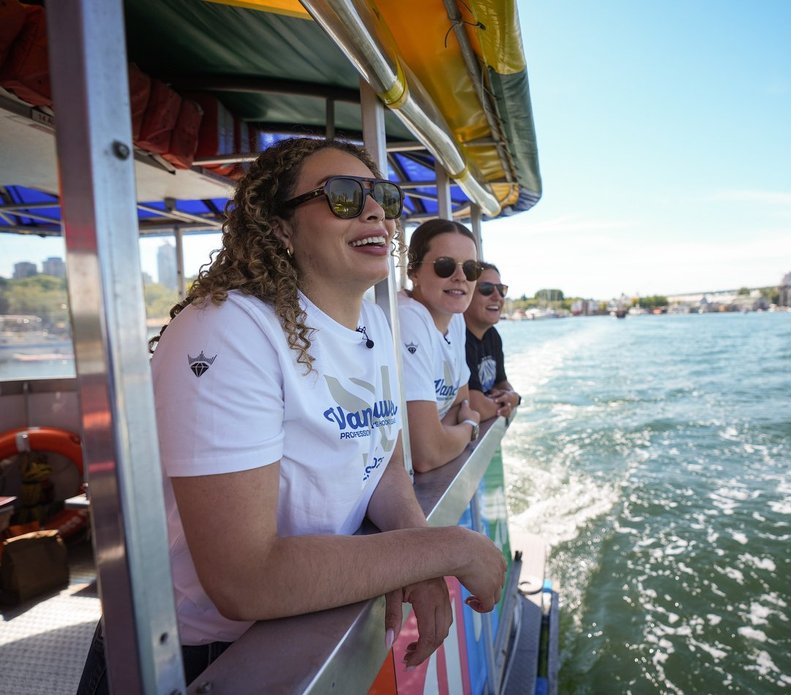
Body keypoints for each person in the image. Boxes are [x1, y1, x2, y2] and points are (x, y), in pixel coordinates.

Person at [77, 138, 505, 693]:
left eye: (383, 196)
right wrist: (445, 547)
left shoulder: (375, 324)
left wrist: (416, 555)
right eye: (345, 196)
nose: (375, 209)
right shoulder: (231, 330)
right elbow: (243, 578)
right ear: (280, 228)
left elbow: (386, 466)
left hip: (309, 620)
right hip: (198, 658)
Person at [398, 219, 482, 473]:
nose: (460, 277)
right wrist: (469, 428)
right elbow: (426, 454)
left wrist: (442, 432)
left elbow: (462, 399)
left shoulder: (455, 319)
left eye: (471, 269)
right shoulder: (408, 318)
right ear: (413, 272)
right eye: (445, 266)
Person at [464, 262, 521, 421]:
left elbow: (502, 383)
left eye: (501, 290)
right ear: (466, 293)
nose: (497, 296)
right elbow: (476, 408)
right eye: (486, 289)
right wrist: (510, 402)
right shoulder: (458, 338)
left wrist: (512, 396)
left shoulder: (492, 335)